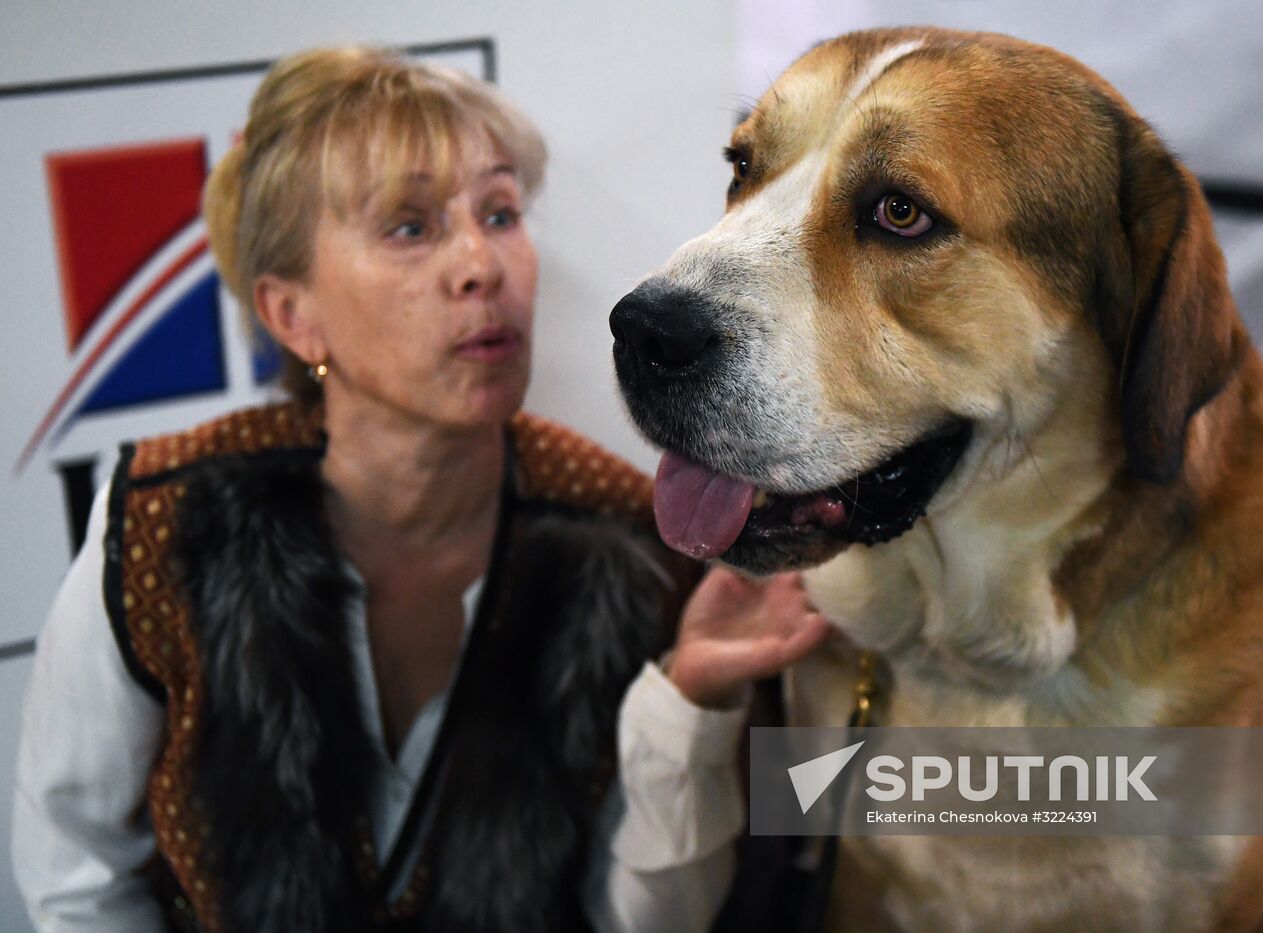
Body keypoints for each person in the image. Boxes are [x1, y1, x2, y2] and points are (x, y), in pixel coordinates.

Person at [12, 46, 829, 932]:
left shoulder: (623, 533)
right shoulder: (162, 517)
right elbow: (77, 879)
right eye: (410, 226)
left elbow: (640, 918)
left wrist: (691, 700)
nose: (482, 265)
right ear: (293, 313)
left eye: (501, 211)